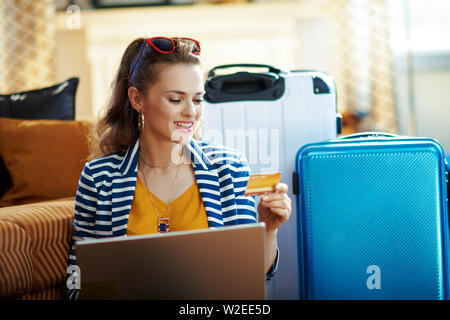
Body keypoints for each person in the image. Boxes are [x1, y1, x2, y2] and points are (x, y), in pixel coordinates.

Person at [67, 37, 292, 300]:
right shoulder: (98, 178)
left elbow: (251, 279)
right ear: (137, 99)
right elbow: (77, 282)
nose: (191, 113)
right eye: (175, 99)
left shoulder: (228, 169)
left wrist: (268, 228)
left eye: (197, 100)